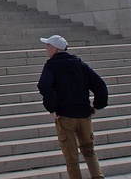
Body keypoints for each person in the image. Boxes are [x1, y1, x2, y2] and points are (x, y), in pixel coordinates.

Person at [37, 35, 109, 179]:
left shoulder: (51, 65)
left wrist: (52, 107)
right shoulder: (79, 64)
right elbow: (100, 85)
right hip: (84, 114)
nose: (46, 49)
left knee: (71, 158)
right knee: (89, 151)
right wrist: (97, 105)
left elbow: (44, 85)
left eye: (48, 46)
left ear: (55, 49)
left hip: (65, 116)